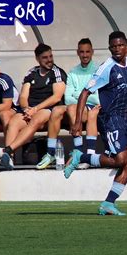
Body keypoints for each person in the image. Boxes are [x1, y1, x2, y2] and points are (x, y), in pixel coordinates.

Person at [64, 31, 127, 216]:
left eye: (120, 45)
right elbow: (85, 93)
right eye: (113, 46)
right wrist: (78, 122)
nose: (117, 49)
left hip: (123, 117)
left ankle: (108, 203)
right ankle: (81, 157)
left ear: (126, 47)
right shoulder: (106, 68)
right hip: (109, 119)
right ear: (110, 48)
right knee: (120, 160)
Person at [0, 43, 67, 170]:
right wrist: (26, 108)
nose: (49, 60)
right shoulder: (32, 72)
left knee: (35, 119)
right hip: (31, 109)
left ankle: (7, 151)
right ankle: (8, 160)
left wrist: (35, 109)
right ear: (37, 59)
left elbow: (56, 97)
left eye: (51, 56)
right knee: (14, 122)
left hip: (48, 109)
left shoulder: (57, 72)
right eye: (45, 57)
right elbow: (23, 96)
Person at [36, 38, 99, 170]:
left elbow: (97, 98)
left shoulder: (98, 70)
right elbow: (68, 97)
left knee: (71, 108)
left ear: (92, 52)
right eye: (82, 52)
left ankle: (79, 150)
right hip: (77, 108)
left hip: (92, 109)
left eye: (87, 51)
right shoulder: (73, 72)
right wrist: (84, 95)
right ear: (78, 53)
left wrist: (79, 95)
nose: (85, 55)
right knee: (56, 110)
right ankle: (51, 152)